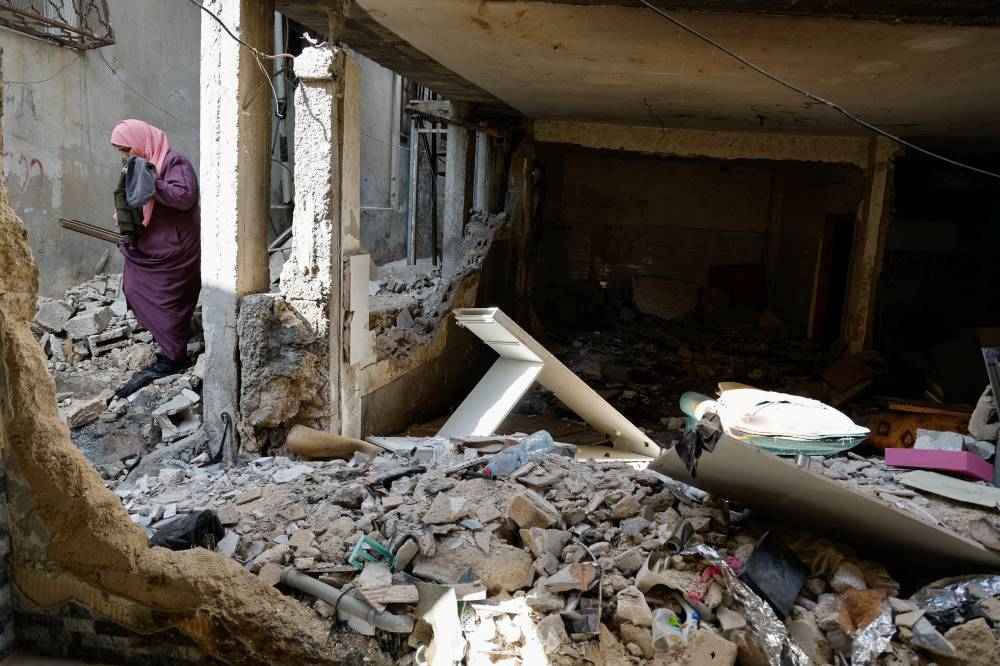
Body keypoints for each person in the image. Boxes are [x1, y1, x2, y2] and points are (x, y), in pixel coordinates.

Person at [110, 119, 201, 398]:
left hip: (175, 249)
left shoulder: (175, 162)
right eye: (122, 152)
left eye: (127, 150)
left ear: (141, 142)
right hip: (151, 245)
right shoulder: (141, 165)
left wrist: (152, 183)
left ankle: (174, 356)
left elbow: (185, 197)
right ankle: (168, 344)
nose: (126, 157)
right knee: (135, 287)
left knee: (169, 301)